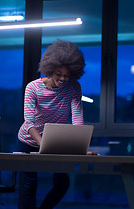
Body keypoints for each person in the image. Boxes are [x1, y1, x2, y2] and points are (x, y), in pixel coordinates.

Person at [17, 39, 95, 209]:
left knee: (62, 183)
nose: (63, 78)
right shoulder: (33, 88)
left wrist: (80, 148)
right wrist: (43, 145)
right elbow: (29, 122)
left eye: (67, 75)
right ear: (50, 69)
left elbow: (77, 119)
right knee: (29, 186)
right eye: (59, 73)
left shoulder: (74, 87)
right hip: (29, 141)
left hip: (55, 143)